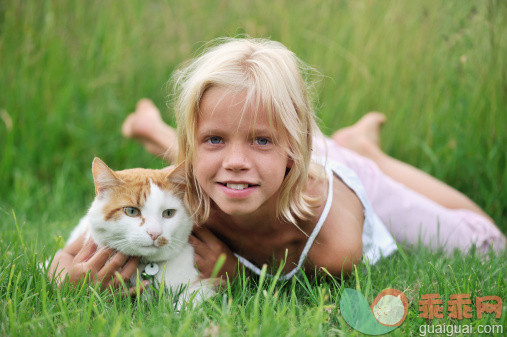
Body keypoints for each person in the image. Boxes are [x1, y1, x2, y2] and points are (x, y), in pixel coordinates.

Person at [49, 38, 506, 290]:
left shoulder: (334, 243)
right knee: (220, 167)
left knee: (488, 243)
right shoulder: (185, 193)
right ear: (189, 145)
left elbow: (279, 273)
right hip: (259, 160)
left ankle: (367, 148)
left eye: (261, 140)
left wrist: (238, 273)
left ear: (293, 149)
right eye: (211, 138)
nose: (235, 163)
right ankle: (154, 128)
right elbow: (87, 239)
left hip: (345, 175)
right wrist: (64, 270)